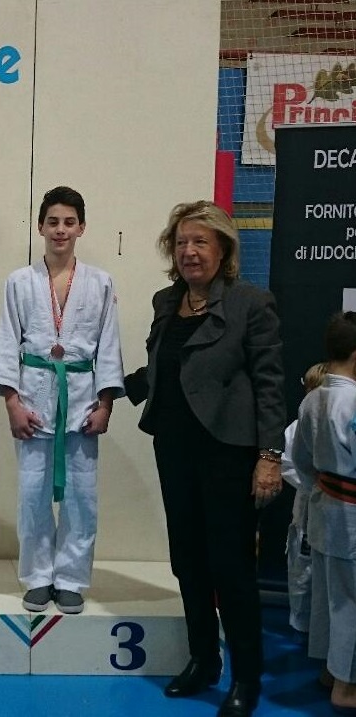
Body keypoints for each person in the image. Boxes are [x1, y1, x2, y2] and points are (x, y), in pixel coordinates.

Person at [124, 200, 285, 717]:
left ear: (223, 249)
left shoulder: (249, 304)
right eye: (181, 243)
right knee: (187, 559)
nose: (189, 251)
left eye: (200, 242)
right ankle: (203, 661)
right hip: (174, 447)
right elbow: (160, 369)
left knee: (231, 567)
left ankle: (246, 678)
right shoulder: (165, 301)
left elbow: (269, 385)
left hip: (228, 453)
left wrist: (270, 456)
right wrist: (106, 391)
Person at [0, 185, 124, 615]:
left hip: (82, 401)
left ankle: (70, 578)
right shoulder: (19, 281)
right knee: (32, 496)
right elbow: (7, 343)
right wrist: (12, 403)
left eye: (69, 222)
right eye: (53, 222)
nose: (60, 230)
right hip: (33, 399)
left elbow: (109, 346)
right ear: (40, 227)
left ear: (81, 227)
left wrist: (106, 404)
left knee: (81, 498)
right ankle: (38, 577)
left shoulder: (100, 282)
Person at [290, 311, 356, 714]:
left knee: (331, 594)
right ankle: (347, 686)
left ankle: (331, 671)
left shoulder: (312, 398)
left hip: (325, 506)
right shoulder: (352, 401)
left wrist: (323, 486)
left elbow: (301, 460)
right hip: (351, 516)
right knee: (351, 600)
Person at [281, 362, 328, 634]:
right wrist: (314, 485)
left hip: (336, 506)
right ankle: (302, 626)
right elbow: (288, 463)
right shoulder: (297, 427)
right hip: (309, 508)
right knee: (302, 571)